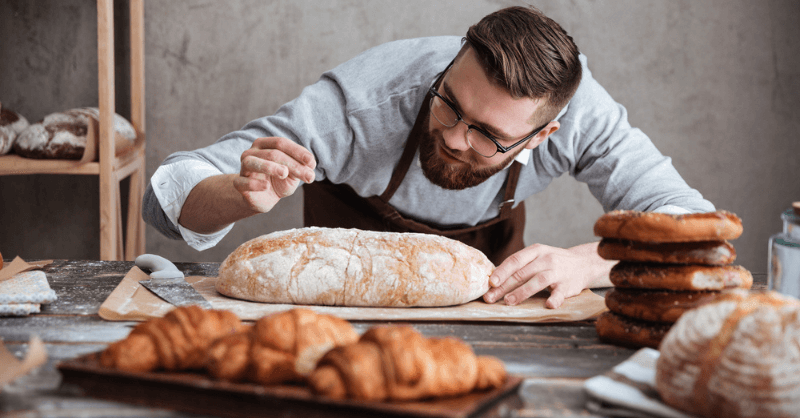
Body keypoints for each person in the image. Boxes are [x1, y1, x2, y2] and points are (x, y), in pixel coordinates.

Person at [142, 6, 714, 309]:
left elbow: (695, 228)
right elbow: (164, 198)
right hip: (341, 318)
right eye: (449, 105)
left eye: (489, 134)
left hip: (496, 314)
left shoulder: (585, 115)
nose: (457, 138)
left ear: (544, 136)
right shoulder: (363, 103)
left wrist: (593, 263)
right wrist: (238, 196)